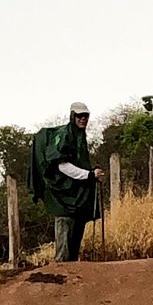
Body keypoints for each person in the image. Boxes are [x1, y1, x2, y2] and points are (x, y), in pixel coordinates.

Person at [29, 102, 105, 262]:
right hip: (63, 195)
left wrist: (90, 172)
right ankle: (60, 271)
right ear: (72, 116)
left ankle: (72, 273)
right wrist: (89, 174)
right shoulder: (65, 135)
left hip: (78, 195)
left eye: (86, 116)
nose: (83, 119)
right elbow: (62, 165)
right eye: (79, 115)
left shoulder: (80, 136)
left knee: (76, 237)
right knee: (64, 238)